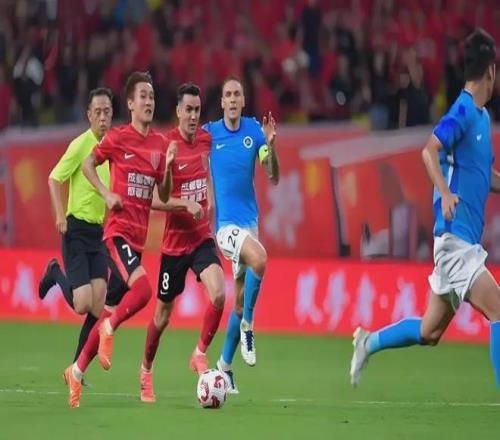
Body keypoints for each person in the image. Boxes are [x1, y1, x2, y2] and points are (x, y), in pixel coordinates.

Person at [350, 29, 500, 389]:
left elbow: (485, 176)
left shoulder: (481, 117)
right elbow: (428, 150)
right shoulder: (463, 110)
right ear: (491, 71)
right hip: (455, 240)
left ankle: (368, 342)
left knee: (429, 331)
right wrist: (445, 193)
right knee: (498, 310)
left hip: (460, 242)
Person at [63, 71, 176, 408]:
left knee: (106, 311)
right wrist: (105, 192)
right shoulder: (117, 138)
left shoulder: (159, 144)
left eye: (152, 96)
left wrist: (168, 168)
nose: (149, 101)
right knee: (144, 290)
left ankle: (76, 371)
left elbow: (163, 194)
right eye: (143, 96)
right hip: (116, 234)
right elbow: (87, 165)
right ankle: (110, 328)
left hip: (137, 241)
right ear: (130, 104)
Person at [139, 83, 225, 403]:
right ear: (177, 111)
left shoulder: (205, 140)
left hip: (201, 238)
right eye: (188, 110)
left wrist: (209, 199)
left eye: (197, 110)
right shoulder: (166, 146)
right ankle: (146, 371)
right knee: (162, 317)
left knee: (219, 293)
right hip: (174, 246)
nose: (192, 116)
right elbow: (153, 200)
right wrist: (184, 204)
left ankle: (199, 353)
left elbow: (208, 170)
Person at [203, 76, 280, 393]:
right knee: (260, 260)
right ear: (222, 102)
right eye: (228, 94)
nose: (233, 99)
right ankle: (249, 326)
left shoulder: (254, 131)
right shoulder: (209, 133)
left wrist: (270, 146)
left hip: (250, 225)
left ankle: (224, 366)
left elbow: (272, 174)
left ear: (243, 101)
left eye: (237, 94)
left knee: (238, 303)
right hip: (226, 228)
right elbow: (189, 151)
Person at [39, 87, 113, 368]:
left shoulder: (112, 148)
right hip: (77, 231)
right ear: (89, 115)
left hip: (98, 233)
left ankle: (76, 370)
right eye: (98, 112)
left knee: (98, 306)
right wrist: (60, 214)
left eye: (107, 112)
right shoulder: (80, 145)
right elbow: (54, 178)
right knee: (82, 303)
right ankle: (54, 271)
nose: (103, 117)